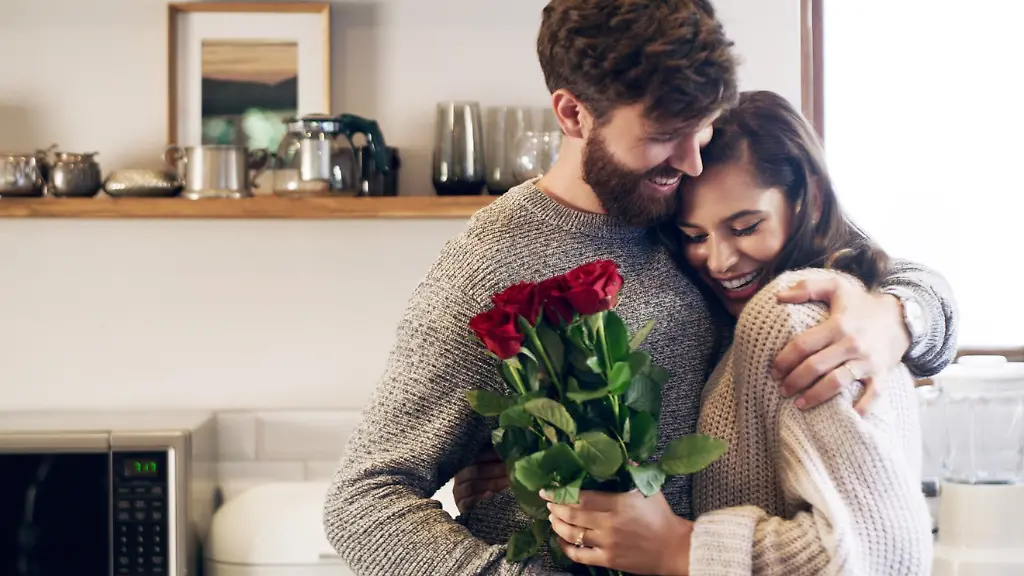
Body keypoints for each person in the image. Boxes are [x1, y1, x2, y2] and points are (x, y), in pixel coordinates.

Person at [324, 1, 957, 574]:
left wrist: (900, 314)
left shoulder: (702, 201)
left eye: (702, 126)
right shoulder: (491, 266)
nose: (691, 161)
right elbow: (364, 499)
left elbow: (859, 264)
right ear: (574, 113)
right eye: (661, 135)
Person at [457, 91, 939, 574]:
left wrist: (682, 548)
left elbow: (886, 553)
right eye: (695, 236)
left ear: (808, 196)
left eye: (746, 226)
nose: (721, 260)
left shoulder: (792, 312)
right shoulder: (734, 316)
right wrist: (537, 457)